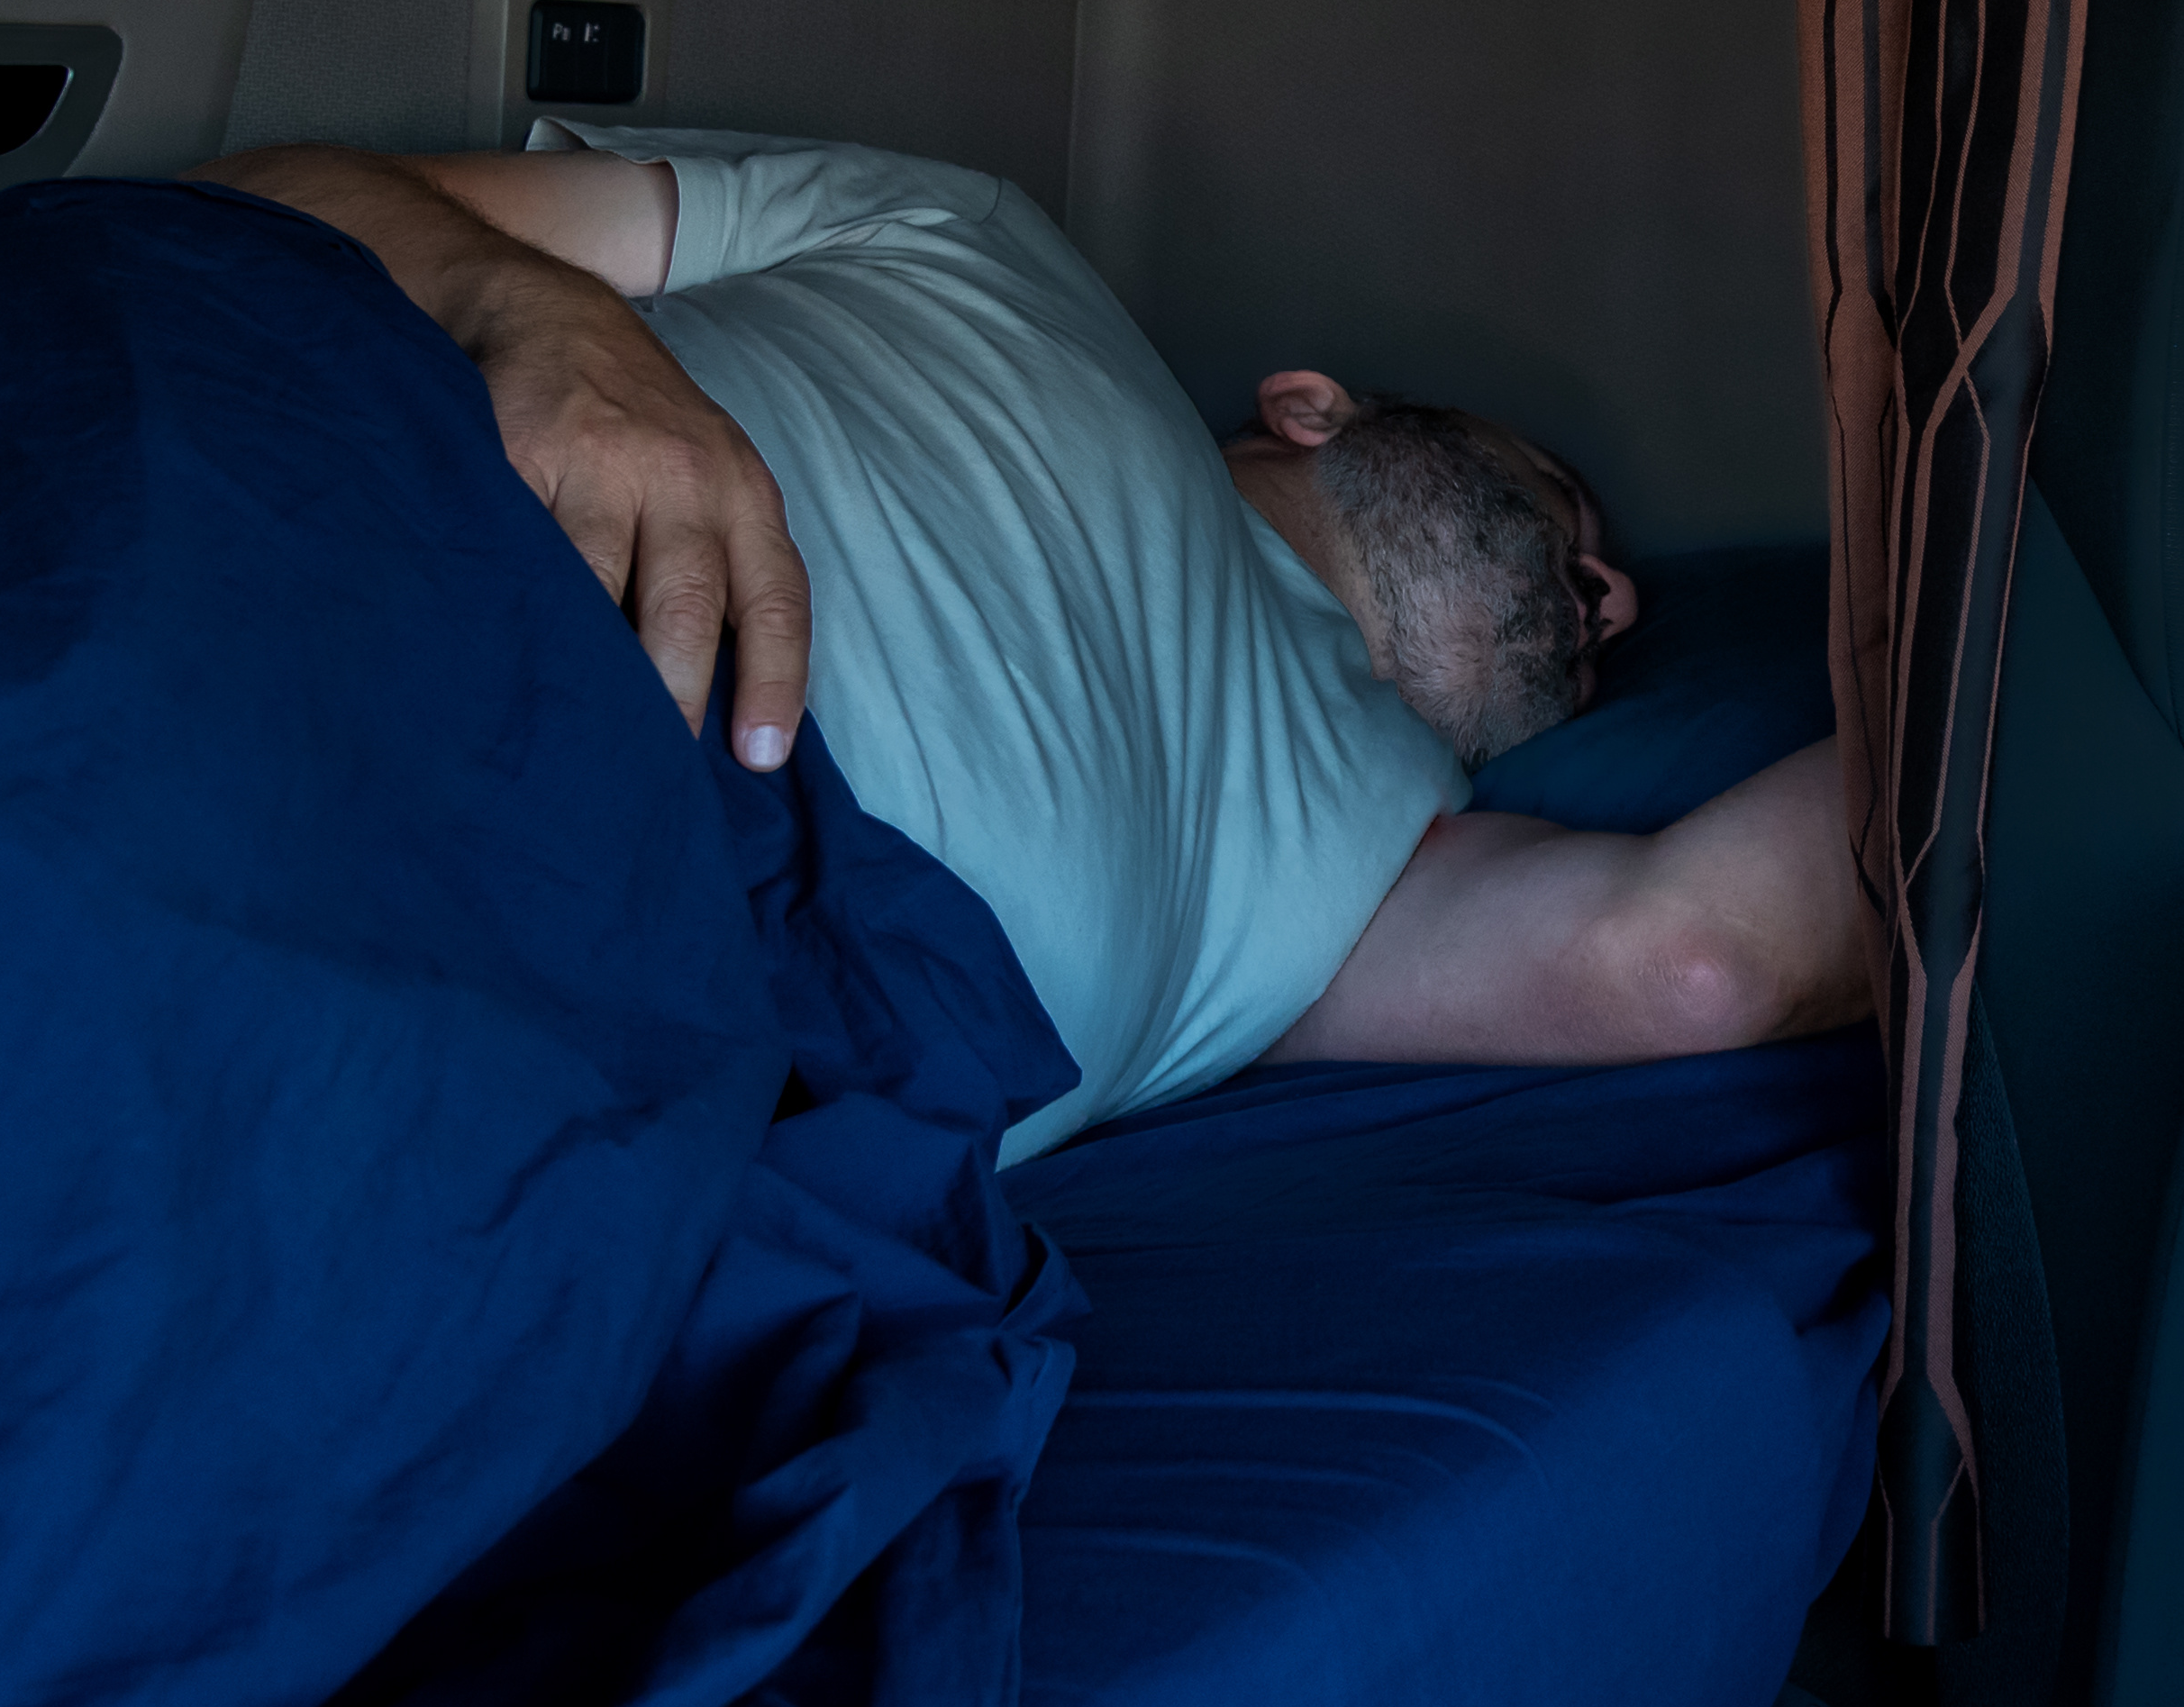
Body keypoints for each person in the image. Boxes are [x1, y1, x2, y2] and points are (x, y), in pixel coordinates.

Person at [197, 128, 1871, 1155]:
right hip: (367, 582)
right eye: (1558, 504)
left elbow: (1696, 961)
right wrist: (553, 324)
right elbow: (262, 196)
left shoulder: (1384, 857)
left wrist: (2014, 681)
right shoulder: (966, 234)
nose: (1612, 595)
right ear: (1312, 408)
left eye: (1612, 598)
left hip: (642, 1026)